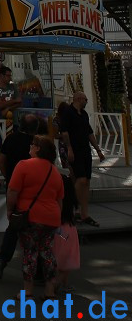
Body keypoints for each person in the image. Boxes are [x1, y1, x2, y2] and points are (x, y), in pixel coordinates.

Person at [7, 134, 64, 302]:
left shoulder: (24, 165)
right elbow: (59, 199)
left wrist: (10, 210)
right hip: (51, 217)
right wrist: (56, 217)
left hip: (30, 217)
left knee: (30, 253)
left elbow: (12, 191)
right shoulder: (55, 171)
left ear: (38, 148)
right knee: (47, 253)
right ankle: (49, 291)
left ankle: (28, 292)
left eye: (32, 144)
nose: (30, 146)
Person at [0, 113, 40, 280]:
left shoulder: (11, 139)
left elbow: (0, 160)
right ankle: (38, 269)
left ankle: (2, 257)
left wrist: (8, 177)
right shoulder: (36, 144)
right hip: (32, 190)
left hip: (13, 187)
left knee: (14, 224)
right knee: (36, 229)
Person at [59, 90, 105, 225]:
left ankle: (83, 211)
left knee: (86, 180)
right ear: (79, 99)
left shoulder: (83, 114)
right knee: (80, 179)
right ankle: (76, 207)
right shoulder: (68, 113)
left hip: (85, 150)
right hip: (75, 150)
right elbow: (65, 132)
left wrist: (98, 150)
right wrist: (69, 149)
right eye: (86, 100)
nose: (86, 102)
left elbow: (89, 133)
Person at [53, 175, 80, 291]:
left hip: (55, 229)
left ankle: (63, 283)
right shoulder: (70, 203)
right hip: (67, 229)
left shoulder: (54, 201)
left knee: (57, 258)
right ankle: (57, 284)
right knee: (69, 258)